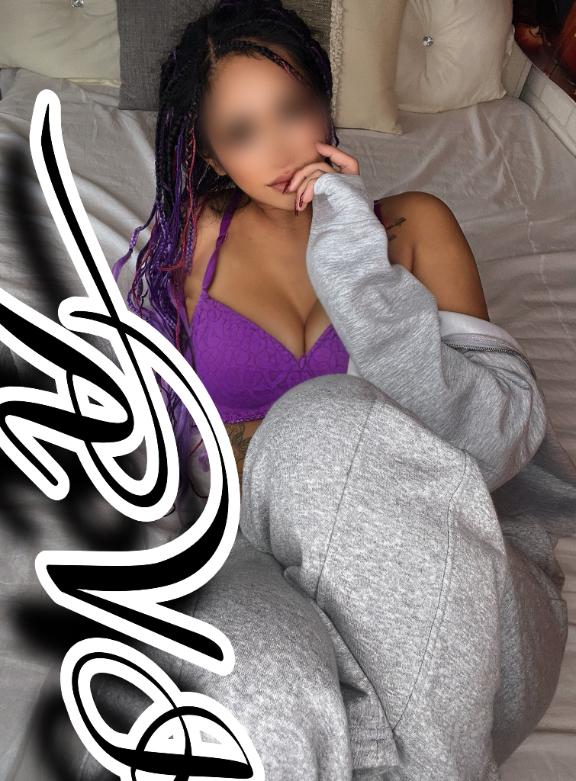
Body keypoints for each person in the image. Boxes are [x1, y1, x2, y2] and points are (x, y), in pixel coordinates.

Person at [105, 1, 571, 778]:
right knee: (259, 701)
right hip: (252, 550)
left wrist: (355, 259)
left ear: (323, 105)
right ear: (212, 156)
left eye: (292, 110)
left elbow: (492, 442)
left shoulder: (411, 228)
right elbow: (151, 455)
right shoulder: (183, 254)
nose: (281, 148)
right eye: (243, 131)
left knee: (327, 424)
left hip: (431, 560)